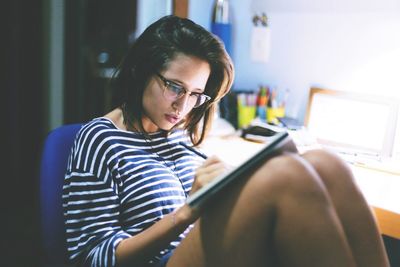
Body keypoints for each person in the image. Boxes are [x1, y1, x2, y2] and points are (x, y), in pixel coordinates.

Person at [62, 15, 389, 267]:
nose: (183, 106)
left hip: (208, 244)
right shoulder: (100, 139)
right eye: (175, 87)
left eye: (195, 94)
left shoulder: (177, 133)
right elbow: (93, 255)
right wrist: (186, 213)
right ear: (139, 71)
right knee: (285, 176)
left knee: (326, 163)